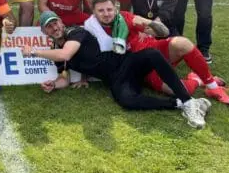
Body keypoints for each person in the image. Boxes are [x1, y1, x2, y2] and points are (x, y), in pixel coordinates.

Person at [26, 9, 211, 129]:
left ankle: (188, 102)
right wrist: (53, 84)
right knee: (126, 100)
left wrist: (34, 51)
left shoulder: (75, 32)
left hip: (125, 63)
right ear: (44, 32)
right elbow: (64, 78)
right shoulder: (55, 50)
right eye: (49, 27)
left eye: (55, 23)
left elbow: (66, 54)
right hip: (115, 78)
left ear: (61, 22)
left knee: (152, 54)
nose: (54, 28)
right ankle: (178, 104)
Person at [83, 0, 229, 106]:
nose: (106, 13)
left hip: (155, 50)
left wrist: (147, 23)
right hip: (142, 67)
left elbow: (163, 32)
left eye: (109, 9)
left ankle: (213, 87)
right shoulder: (91, 28)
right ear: (94, 13)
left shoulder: (124, 18)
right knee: (177, 90)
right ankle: (197, 79)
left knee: (182, 43)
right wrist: (82, 78)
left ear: (115, 9)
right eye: (101, 11)